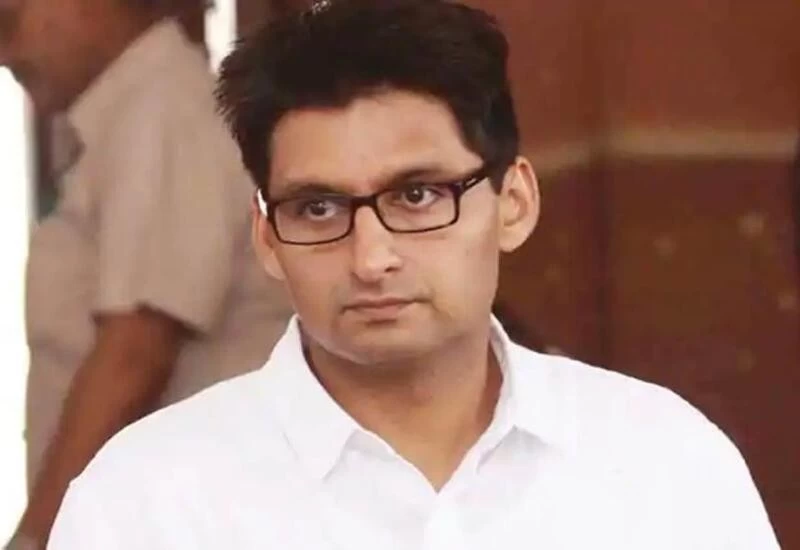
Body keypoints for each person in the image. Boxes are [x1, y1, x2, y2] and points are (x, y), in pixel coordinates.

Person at [47, 0, 779, 548]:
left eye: (418, 196)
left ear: (514, 204)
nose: (371, 258)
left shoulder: (662, 462)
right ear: (267, 239)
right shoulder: (145, 504)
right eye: (319, 208)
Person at [0, 0, 292, 548]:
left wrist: (38, 537)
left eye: (11, 21)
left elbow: (136, 351)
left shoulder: (161, 110)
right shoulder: (128, 115)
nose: (6, 53)